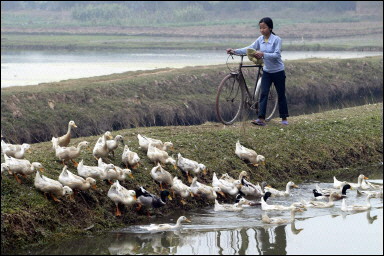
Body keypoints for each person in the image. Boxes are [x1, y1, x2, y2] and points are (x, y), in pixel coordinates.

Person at [226, 17, 289, 126]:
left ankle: (284, 118)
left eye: (264, 28)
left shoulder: (276, 39)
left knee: (281, 94)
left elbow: (277, 55)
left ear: (270, 28)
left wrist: (263, 54)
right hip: (267, 71)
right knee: (263, 93)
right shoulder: (260, 39)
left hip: (278, 71)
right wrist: (234, 51)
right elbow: (249, 48)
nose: (262, 30)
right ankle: (261, 119)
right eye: (260, 28)